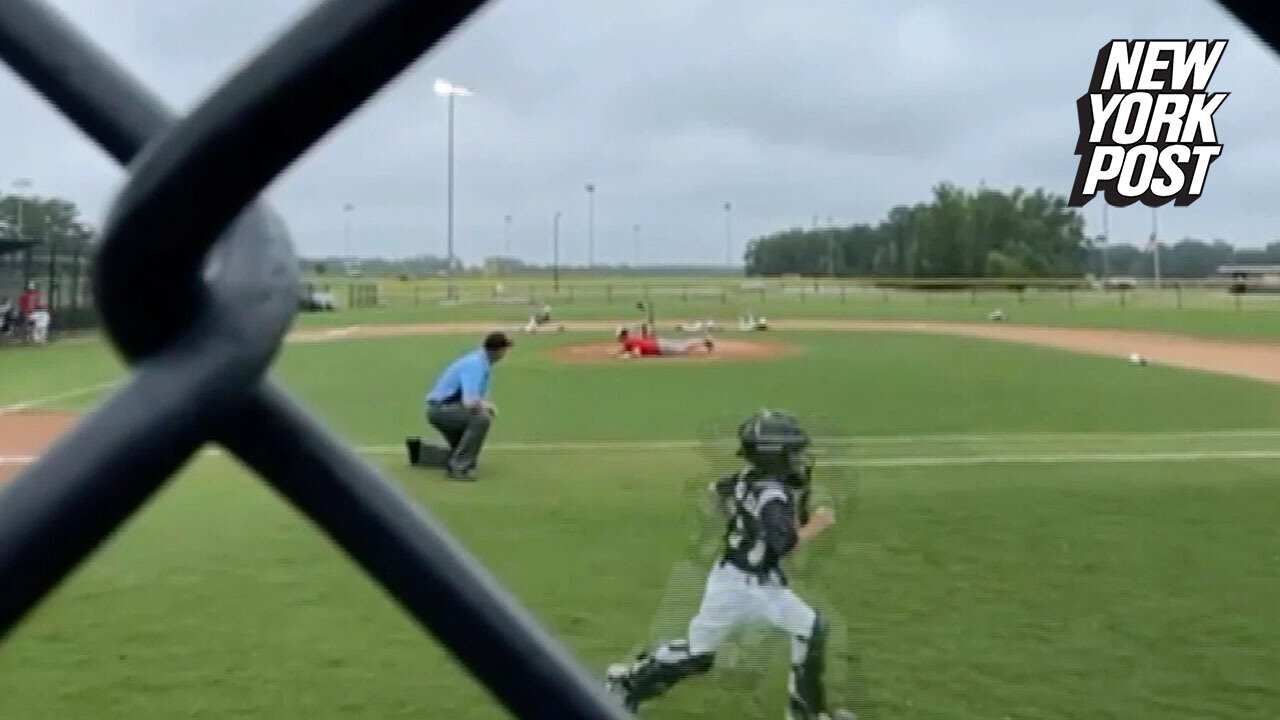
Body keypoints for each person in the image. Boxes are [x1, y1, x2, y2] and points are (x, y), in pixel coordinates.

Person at [604, 410, 852, 720]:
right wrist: (817, 523)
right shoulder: (772, 495)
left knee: (810, 630)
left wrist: (743, 523)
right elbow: (783, 545)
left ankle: (806, 714)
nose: (798, 458)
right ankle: (627, 685)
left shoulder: (748, 479)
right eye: (791, 452)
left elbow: (717, 491)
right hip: (742, 587)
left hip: (745, 579)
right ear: (773, 455)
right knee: (699, 655)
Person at [404, 331, 513, 480]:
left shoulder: (482, 363)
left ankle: (422, 453)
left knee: (463, 452)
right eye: (505, 349)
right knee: (482, 419)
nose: (506, 353)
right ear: (499, 350)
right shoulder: (476, 364)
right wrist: (488, 407)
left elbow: (478, 398)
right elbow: (470, 401)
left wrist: (485, 405)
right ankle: (458, 468)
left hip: (446, 409)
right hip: (441, 410)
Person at [616, 327, 713, 358]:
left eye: (619, 336)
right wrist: (619, 354)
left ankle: (703, 341)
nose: (618, 338)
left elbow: (637, 354)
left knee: (681, 350)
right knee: (681, 345)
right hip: (659, 344)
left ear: (623, 336)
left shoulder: (630, 341)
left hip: (660, 348)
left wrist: (627, 356)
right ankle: (703, 341)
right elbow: (625, 350)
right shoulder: (629, 341)